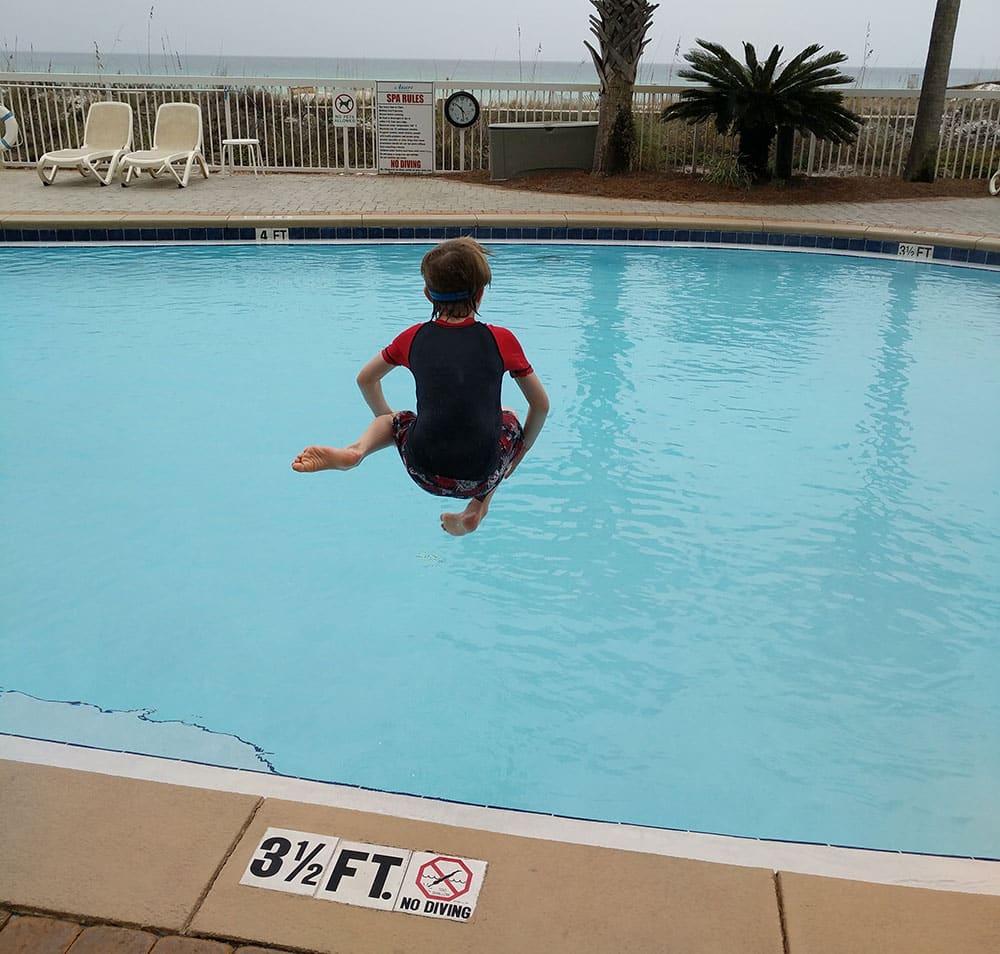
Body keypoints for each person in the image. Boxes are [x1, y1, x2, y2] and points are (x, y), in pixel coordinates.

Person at [292, 237, 549, 536]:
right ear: (480, 295)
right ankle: (478, 506)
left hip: (422, 468)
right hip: (483, 475)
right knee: (508, 416)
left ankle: (356, 451)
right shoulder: (501, 340)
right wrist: (521, 450)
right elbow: (541, 405)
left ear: (428, 295)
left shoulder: (412, 338)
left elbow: (366, 379)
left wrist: (389, 425)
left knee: (398, 419)